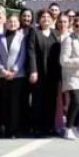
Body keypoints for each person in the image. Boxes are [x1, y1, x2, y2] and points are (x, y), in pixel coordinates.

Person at [0, 14, 29, 139]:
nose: (12, 23)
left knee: (16, 104)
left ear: (18, 24)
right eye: (10, 21)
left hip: (18, 76)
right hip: (3, 76)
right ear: (6, 23)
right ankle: (6, 128)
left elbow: (23, 56)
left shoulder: (22, 37)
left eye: (15, 22)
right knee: (4, 103)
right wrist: (3, 70)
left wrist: (15, 70)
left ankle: (15, 129)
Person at [27, 9, 59, 138]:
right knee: (38, 100)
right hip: (39, 73)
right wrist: (33, 70)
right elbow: (31, 52)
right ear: (39, 19)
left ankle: (49, 127)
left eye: (48, 17)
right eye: (43, 17)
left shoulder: (56, 33)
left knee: (51, 101)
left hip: (53, 73)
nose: (46, 19)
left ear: (52, 19)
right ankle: (38, 127)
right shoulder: (35, 32)